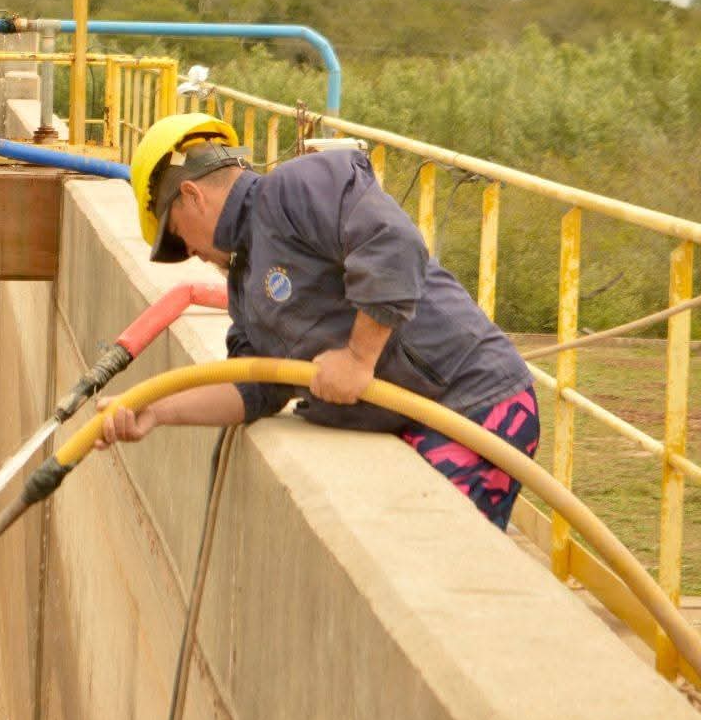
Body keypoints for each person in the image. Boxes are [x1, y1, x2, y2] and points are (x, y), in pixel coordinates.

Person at [99, 115, 540, 530]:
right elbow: (254, 387)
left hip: (475, 400)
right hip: (411, 420)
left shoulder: (298, 188)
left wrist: (357, 357)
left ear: (193, 195)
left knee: (426, 560)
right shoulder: (246, 283)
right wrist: (154, 410)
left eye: (177, 234)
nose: (190, 252)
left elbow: (393, 244)